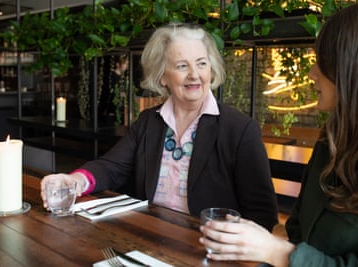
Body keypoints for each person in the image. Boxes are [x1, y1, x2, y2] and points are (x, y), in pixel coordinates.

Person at [199, 3, 358, 266]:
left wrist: (276, 252)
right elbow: (297, 231)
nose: (312, 73)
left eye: (323, 63)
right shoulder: (334, 139)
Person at [40, 23, 279, 231]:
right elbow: (111, 167)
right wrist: (75, 182)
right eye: (182, 66)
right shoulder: (149, 121)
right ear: (162, 76)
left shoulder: (239, 128)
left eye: (201, 63)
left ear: (211, 68)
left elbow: (262, 215)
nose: (195, 75)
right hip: (150, 236)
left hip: (209, 249)